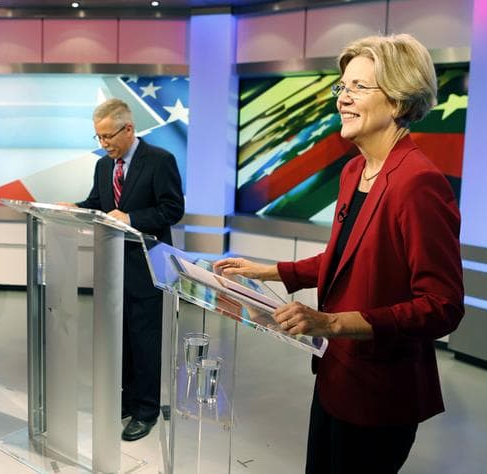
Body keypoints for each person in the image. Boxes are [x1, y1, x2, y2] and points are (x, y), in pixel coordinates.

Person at [214, 34, 464, 473]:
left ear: (400, 100)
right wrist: (267, 271)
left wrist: (330, 323)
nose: (342, 99)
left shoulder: (418, 183)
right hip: (335, 375)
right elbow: (347, 258)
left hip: (380, 394)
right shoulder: (355, 170)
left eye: (357, 88)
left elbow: (441, 307)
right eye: (341, 88)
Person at [62, 98, 184, 441]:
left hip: (148, 266)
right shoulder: (104, 166)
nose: (103, 144)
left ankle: (146, 411)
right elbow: (100, 204)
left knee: (144, 341)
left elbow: (172, 210)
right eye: (98, 138)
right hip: (112, 266)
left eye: (107, 137)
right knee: (122, 341)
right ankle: (128, 401)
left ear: (128, 129)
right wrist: (74, 208)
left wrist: (132, 219)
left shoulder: (161, 161)